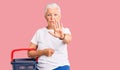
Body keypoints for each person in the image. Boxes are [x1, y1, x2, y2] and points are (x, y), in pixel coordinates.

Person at [28, 3, 72, 70]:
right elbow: (29, 53)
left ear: (60, 16)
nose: (52, 18)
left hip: (60, 67)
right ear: (45, 17)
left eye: (55, 15)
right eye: (49, 15)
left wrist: (62, 36)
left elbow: (68, 39)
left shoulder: (65, 30)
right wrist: (43, 52)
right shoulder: (39, 32)